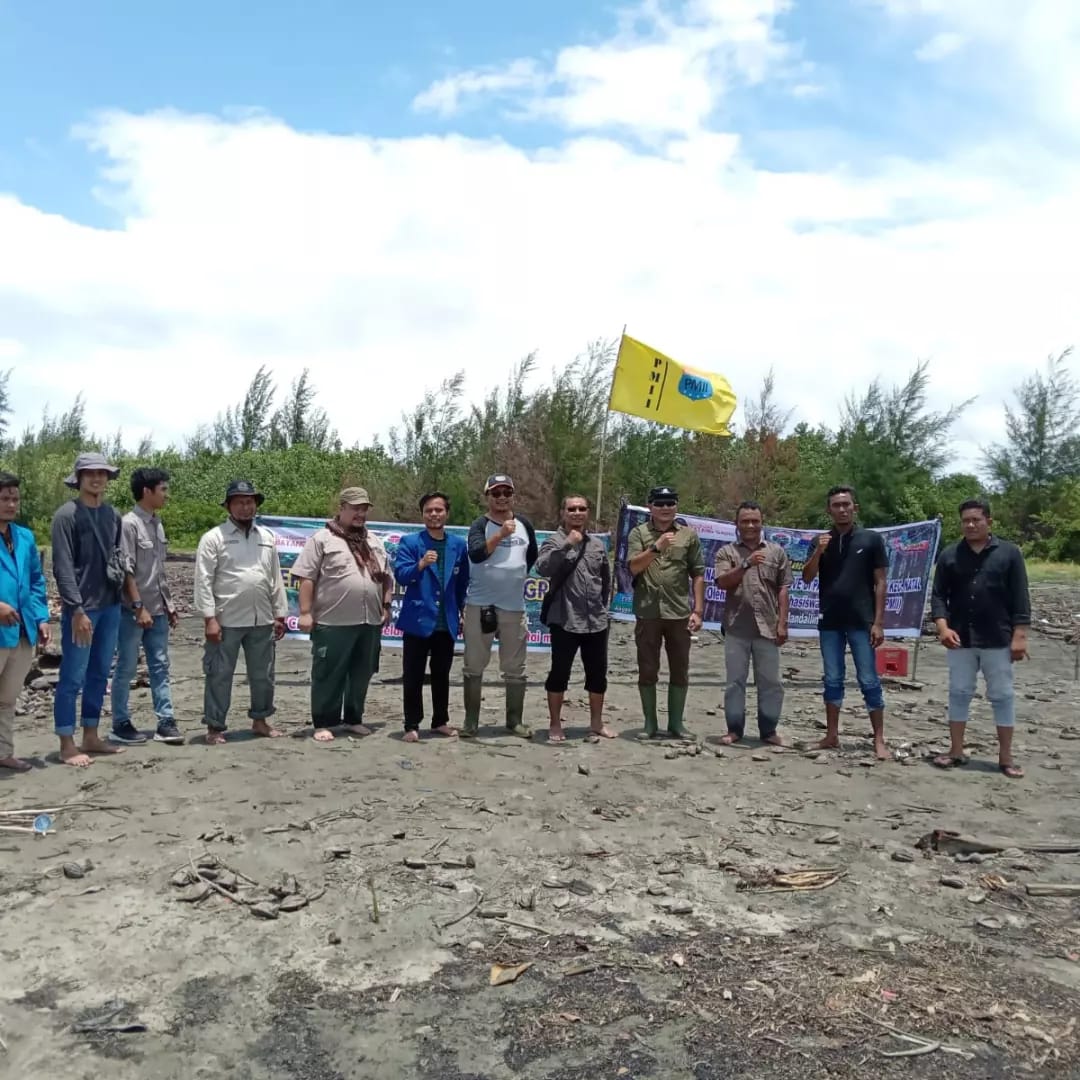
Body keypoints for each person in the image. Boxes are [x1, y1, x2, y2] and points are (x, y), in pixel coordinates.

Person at [930, 499, 1030, 779]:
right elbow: (938, 596)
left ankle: (1006, 757)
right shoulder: (950, 555)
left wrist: (1020, 636)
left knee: (1002, 696)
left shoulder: (1009, 554)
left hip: (998, 637)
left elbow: (1021, 597)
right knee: (959, 692)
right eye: (966, 521)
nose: (971, 525)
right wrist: (942, 627)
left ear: (989, 521)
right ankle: (956, 750)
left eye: (976, 520)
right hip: (959, 637)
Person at [51, 452, 134, 767]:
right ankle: (66, 742)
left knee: (100, 673)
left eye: (102, 473)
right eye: (90, 473)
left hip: (111, 606)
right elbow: (62, 567)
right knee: (72, 675)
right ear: (79, 478)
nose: (97, 478)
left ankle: (91, 735)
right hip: (82, 610)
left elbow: (118, 560)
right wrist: (77, 609)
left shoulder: (113, 515)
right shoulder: (66, 516)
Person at [292, 487, 393, 742]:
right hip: (332, 621)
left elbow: (386, 578)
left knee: (362, 672)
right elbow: (306, 577)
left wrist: (386, 605)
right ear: (342, 508)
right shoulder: (322, 539)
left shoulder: (374, 542)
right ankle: (323, 722)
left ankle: (353, 719)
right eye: (355, 508)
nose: (360, 514)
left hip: (369, 621)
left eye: (364, 509)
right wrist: (304, 612)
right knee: (328, 673)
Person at [193, 480, 288, 745]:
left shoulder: (266, 537)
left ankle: (260, 720)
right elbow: (203, 581)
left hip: (262, 619)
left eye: (250, 502)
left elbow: (274, 578)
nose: (246, 507)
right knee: (219, 675)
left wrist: (279, 614)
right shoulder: (213, 538)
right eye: (240, 502)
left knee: (263, 675)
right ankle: (214, 727)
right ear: (228, 506)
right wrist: (209, 619)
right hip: (226, 621)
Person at [801, 485, 888, 760]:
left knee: (868, 679)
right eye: (836, 505)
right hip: (830, 621)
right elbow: (806, 577)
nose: (841, 509)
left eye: (846, 504)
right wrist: (819, 552)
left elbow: (881, 581)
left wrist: (878, 622)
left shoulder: (871, 540)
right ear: (829, 510)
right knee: (833, 678)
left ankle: (879, 739)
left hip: (862, 621)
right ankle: (831, 735)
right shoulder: (820, 541)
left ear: (855, 508)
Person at [461, 474, 538, 739]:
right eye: (496, 493)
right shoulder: (479, 525)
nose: (502, 497)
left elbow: (532, 557)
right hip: (480, 605)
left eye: (507, 492)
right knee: (473, 665)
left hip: (514, 606)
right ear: (488, 497)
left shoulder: (525, 524)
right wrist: (500, 535)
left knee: (515, 667)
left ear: (513, 496)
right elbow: (476, 553)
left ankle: (514, 721)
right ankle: (471, 722)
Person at [110, 467, 182, 745]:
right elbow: (126, 570)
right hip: (132, 612)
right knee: (126, 667)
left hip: (159, 609)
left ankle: (165, 721)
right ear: (146, 492)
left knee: (161, 666)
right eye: (162, 489)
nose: (167, 494)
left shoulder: (157, 523)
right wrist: (139, 606)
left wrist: (169, 604)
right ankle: (120, 722)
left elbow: (158, 570)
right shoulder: (128, 524)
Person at [626, 486, 705, 739]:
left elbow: (698, 573)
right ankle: (650, 724)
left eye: (670, 503)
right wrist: (656, 547)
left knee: (680, 668)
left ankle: (676, 724)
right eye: (659, 503)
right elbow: (633, 568)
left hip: (679, 613)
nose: (665, 508)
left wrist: (699, 610)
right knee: (648, 668)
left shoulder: (689, 535)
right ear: (649, 506)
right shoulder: (638, 533)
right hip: (648, 612)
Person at [393, 491, 469, 743]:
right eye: (429, 510)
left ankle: (440, 721)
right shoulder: (410, 542)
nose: (434, 514)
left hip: (445, 622)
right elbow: (402, 576)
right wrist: (421, 564)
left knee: (441, 674)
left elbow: (462, 582)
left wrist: (462, 610)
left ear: (447, 513)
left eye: (438, 510)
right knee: (413, 675)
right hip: (418, 620)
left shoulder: (458, 544)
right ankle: (411, 724)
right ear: (423, 514)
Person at [714, 501, 792, 746]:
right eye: (745, 521)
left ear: (762, 523)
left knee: (771, 682)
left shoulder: (776, 552)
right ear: (736, 524)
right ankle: (734, 729)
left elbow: (783, 588)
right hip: (737, 628)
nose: (750, 525)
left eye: (754, 521)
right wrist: (746, 564)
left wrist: (782, 623)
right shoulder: (726, 552)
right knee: (735, 683)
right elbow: (722, 582)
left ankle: (768, 731)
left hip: (767, 628)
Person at [536, 494, 613, 743]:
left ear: (587, 512)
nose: (577, 513)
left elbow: (606, 581)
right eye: (572, 509)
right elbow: (543, 567)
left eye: (582, 508)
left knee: (598, 675)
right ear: (563, 513)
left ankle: (596, 723)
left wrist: (603, 607)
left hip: (596, 621)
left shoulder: (597, 545)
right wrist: (568, 544)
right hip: (565, 619)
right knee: (559, 673)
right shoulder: (553, 541)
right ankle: (556, 724)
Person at [0, 472, 50, 772]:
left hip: (22, 629)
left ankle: (4, 752)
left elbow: (36, 581)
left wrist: (41, 618)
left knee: (7, 698)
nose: (10, 504)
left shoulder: (24, 537)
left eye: (14, 499)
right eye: (4, 498)